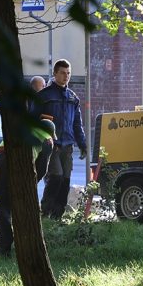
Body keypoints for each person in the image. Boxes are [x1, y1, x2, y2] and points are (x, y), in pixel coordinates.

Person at [0, 119, 56, 257]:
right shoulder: (47, 139)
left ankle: (4, 250)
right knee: (26, 206)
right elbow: (42, 168)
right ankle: (28, 245)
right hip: (21, 166)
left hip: (1, 160)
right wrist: (31, 184)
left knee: (3, 206)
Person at [36, 59, 87, 219]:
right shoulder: (44, 96)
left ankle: (57, 216)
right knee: (56, 177)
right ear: (55, 74)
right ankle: (45, 211)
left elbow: (77, 124)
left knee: (65, 181)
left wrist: (83, 144)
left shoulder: (73, 98)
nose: (66, 76)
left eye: (68, 73)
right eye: (63, 73)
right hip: (51, 145)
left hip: (68, 146)